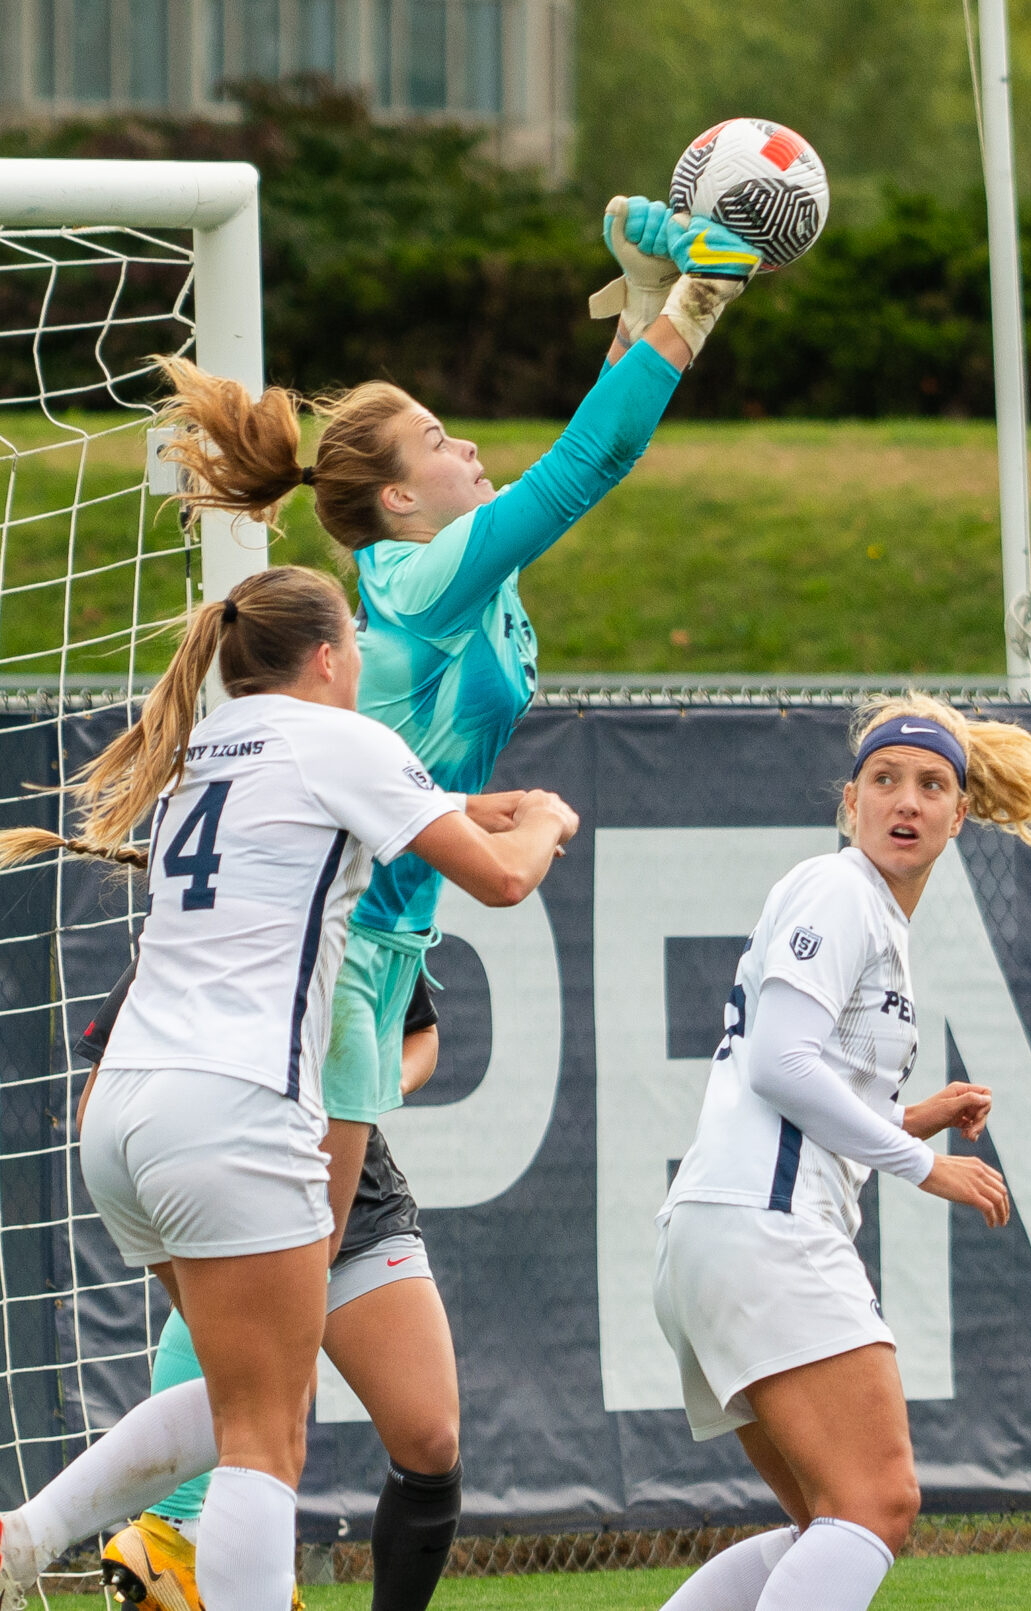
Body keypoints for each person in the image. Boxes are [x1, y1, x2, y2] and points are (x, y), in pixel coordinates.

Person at [117, 194, 760, 1610]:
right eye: (440, 442)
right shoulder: (412, 574)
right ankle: (162, 1531)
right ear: (399, 499)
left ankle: (145, 1527)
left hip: (371, 947)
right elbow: (581, 470)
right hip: (335, 960)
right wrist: (685, 314)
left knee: (295, 1289)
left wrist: (643, 310)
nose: (472, 448)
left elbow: (550, 480)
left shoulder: (453, 571)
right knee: (270, 1283)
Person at [0, 565, 578, 1611]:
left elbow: (328, 811)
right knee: (264, 1436)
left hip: (124, 1110)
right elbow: (502, 880)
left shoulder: (203, 747)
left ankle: (25, 1537)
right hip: (234, 1108)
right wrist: (544, 820)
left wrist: (461, 801)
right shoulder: (345, 738)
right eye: (355, 652)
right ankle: (48, 1540)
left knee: (244, 1395)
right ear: (327, 656)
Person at [648, 695, 1031, 1611]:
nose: (905, 800)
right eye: (884, 780)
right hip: (764, 1228)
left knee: (829, 1520)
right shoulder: (839, 889)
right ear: (850, 801)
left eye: (931, 784)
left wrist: (915, 1115)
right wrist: (928, 1166)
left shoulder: (875, 914)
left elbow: (813, 1087)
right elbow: (781, 1063)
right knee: (877, 1501)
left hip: (724, 1227)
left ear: (960, 814)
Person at [72, 968, 454, 1611]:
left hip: (353, 1199)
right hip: (239, 1189)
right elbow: (101, 1087)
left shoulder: (367, 900)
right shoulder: (221, 913)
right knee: (272, 1403)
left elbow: (422, 1037)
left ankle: (132, 1538)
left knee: (430, 1443)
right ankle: (177, 1537)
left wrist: (367, 1086)